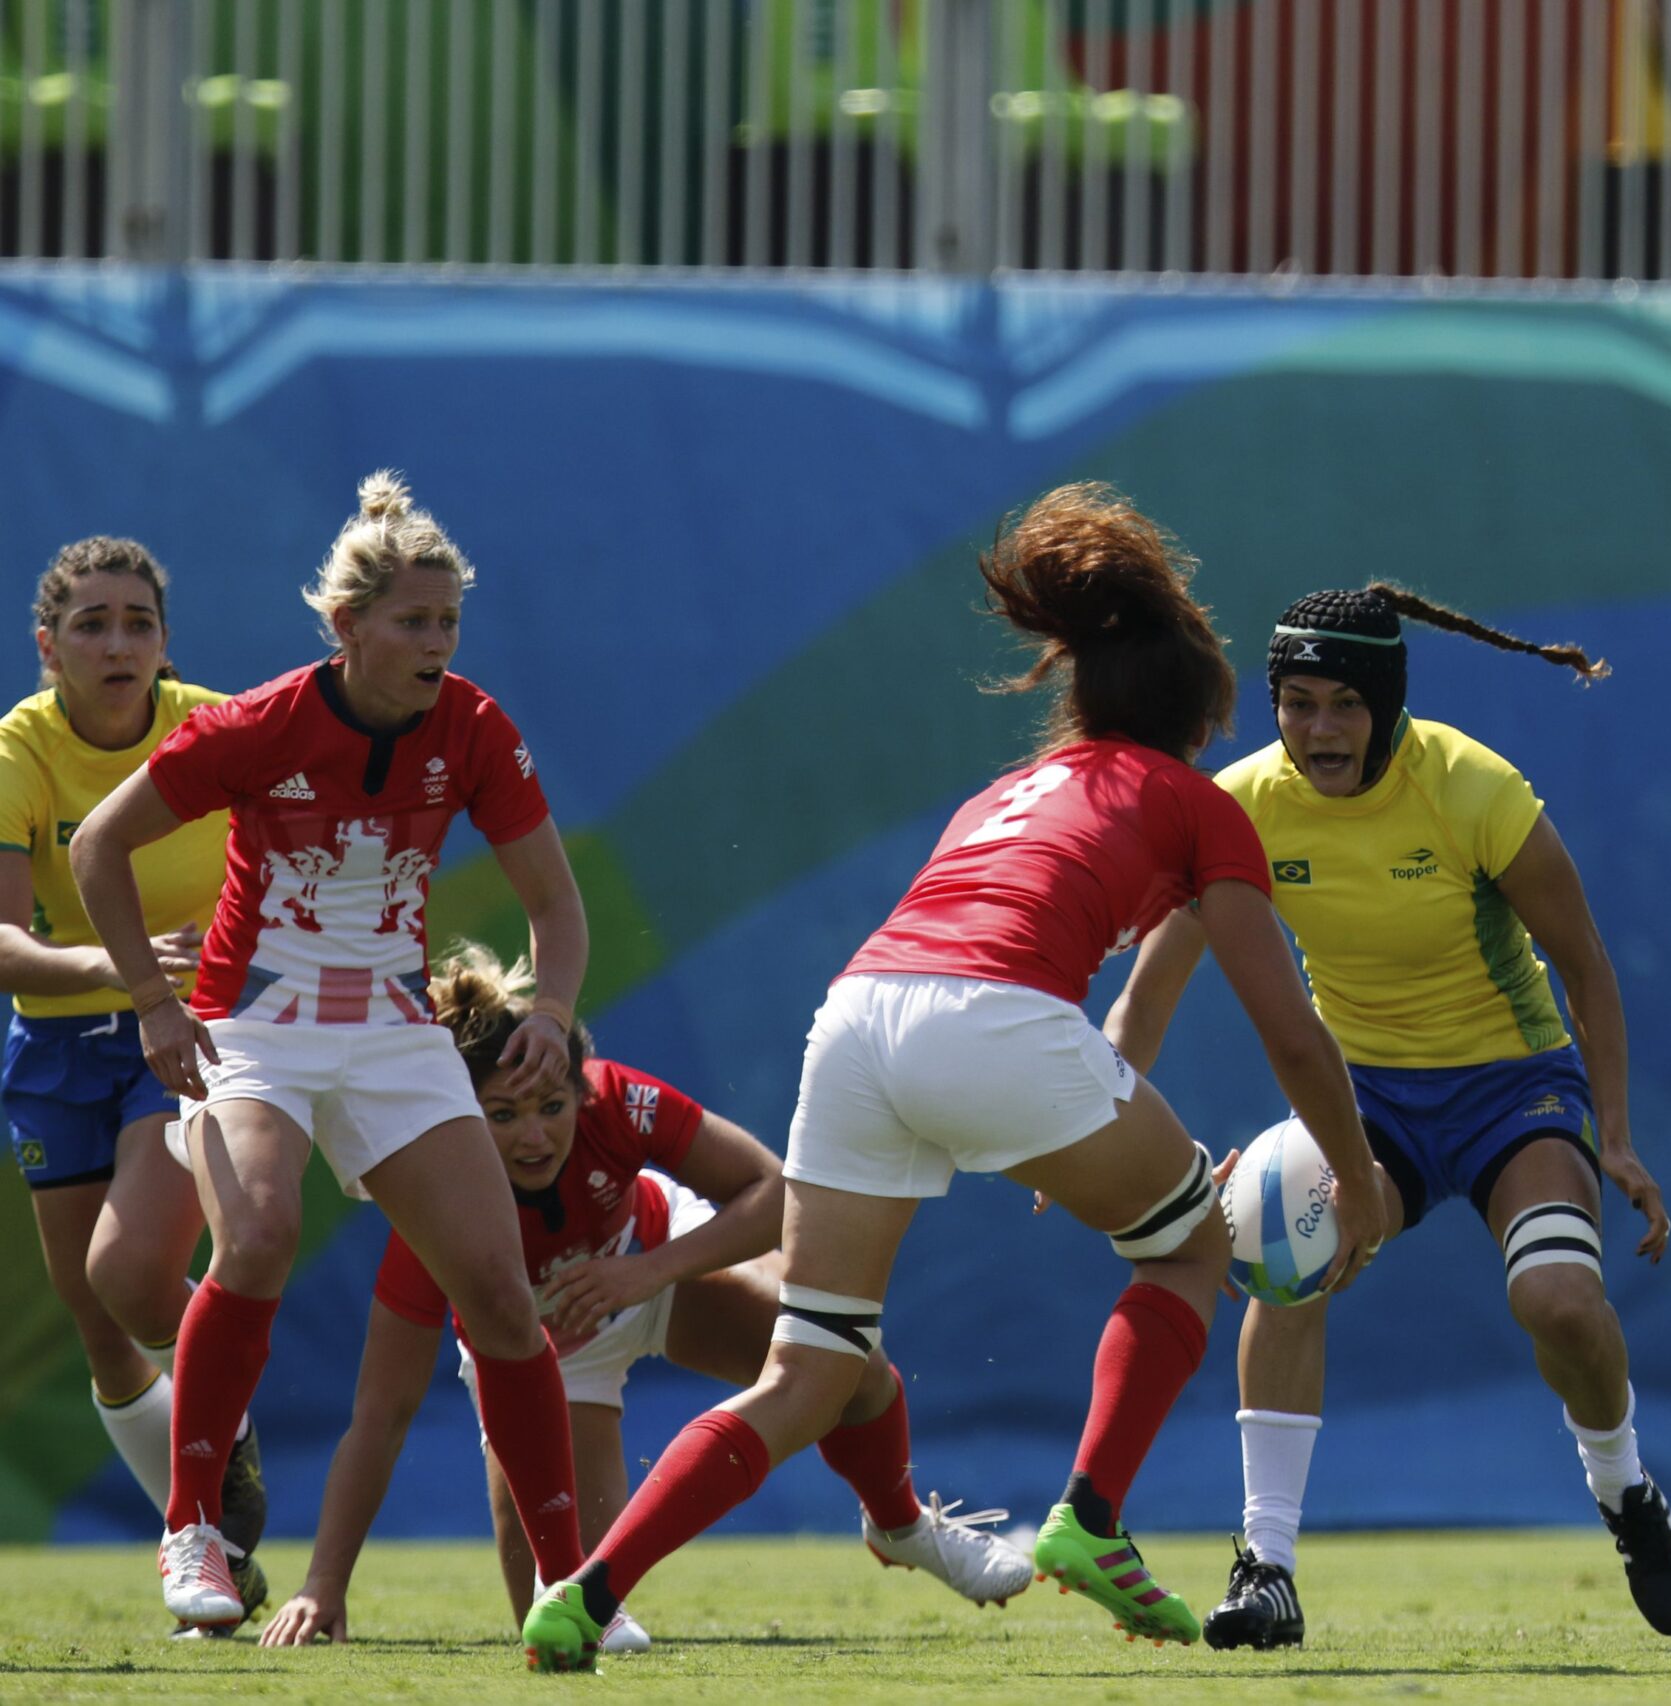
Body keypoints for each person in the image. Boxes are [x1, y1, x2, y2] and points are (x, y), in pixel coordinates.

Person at [521, 482, 1391, 1671]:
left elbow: (1011, 978)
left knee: (812, 1364)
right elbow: (1290, 1033)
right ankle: (1090, 1519)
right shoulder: (1196, 801)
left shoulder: (1003, 794)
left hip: (859, 1015)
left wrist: (1073, 1135)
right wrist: (1357, 1176)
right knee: (1191, 1248)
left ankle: (583, 1588)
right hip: (995, 1025)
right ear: (1195, 724)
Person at [1105, 584, 1671, 1648]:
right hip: (1361, 1097)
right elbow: (1150, 989)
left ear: (1385, 702)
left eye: (1343, 703)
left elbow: (1586, 969)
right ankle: (1266, 1564)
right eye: (1296, 702)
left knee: (1559, 1300)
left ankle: (1625, 1489)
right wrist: (1084, 1129)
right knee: (1280, 1250)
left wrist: (1610, 1134)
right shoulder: (1239, 804)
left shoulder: (1474, 787)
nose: (1319, 729)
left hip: (1512, 1088)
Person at [69, 472, 591, 1637]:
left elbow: (555, 906)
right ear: (347, 626)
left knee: (505, 1301)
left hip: (394, 1029)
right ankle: (192, 1525)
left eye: (448, 622)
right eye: (413, 621)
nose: (436, 644)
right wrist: (154, 1004)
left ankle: (571, 1586)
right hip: (256, 1022)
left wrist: (551, 1008)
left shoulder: (476, 726)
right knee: (254, 1236)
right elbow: (101, 847)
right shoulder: (257, 724)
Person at [259, 942, 1031, 1652]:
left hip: (655, 1262)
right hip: (547, 1357)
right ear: (460, 1118)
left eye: (550, 1106)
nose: (535, 1136)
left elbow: (771, 1191)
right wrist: (323, 1584)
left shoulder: (615, 1101)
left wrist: (644, 1274)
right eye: (503, 1115)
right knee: (563, 1617)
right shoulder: (432, 1212)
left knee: (846, 1360)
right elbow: (380, 1412)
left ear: (579, 1090)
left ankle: (901, 1525)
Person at [0, 537, 268, 1629]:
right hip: (56, 1045)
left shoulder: (217, 727)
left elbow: (302, 849)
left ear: (166, 639)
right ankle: (218, 1523)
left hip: (191, 1033)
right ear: (48, 642)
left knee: (131, 1268)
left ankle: (195, 1510)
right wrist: (116, 960)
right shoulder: (20, 746)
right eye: (93, 623)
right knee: (98, 1319)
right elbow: (6, 944)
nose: (118, 643)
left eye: (138, 623)